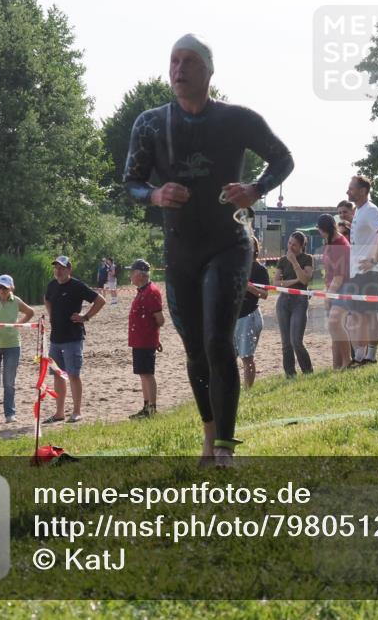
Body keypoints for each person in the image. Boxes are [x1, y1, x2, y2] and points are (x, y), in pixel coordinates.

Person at [124, 33, 294, 466]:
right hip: (181, 252)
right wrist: (155, 195)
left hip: (228, 244)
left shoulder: (237, 120)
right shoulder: (149, 122)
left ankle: (225, 447)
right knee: (194, 350)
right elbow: (131, 181)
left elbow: (283, 158)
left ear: (208, 72)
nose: (178, 70)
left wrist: (255, 189)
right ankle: (208, 436)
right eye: (173, 62)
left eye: (188, 62)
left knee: (218, 342)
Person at [335, 175, 378, 366]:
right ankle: (360, 355)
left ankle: (371, 356)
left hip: (369, 272)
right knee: (359, 315)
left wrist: (374, 259)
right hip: (357, 271)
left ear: (362, 191)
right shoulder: (359, 211)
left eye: (351, 188)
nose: (347, 191)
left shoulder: (370, 210)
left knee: (371, 314)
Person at [44, 256, 106, 423]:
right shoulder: (52, 285)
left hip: (73, 337)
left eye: (62, 268)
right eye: (56, 268)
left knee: (73, 374)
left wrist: (85, 317)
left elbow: (100, 300)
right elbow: (47, 299)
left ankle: (77, 412)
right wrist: (51, 315)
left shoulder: (77, 285)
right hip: (55, 338)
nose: (58, 271)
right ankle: (59, 413)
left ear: (69, 270)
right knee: (58, 375)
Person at [0, 274, 35, 425]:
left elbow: (30, 312)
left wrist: (19, 324)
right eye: (0, 287)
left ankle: (10, 414)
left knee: (9, 382)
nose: (2, 290)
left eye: (5, 288)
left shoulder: (16, 301)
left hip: (12, 345)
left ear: (11, 288)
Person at [127, 259, 165, 419]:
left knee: (147, 374)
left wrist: (152, 337)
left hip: (145, 340)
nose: (130, 275)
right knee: (143, 373)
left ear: (140, 275)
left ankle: (152, 408)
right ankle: (146, 405)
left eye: (132, 272)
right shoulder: (143, 291)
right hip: (140, 340)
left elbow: (160, 319)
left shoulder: (151, 292)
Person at [274, 232, 315, 376]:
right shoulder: (282, 260)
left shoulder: (307, 259)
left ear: (302, 246)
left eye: (294, 245)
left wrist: (294, 262)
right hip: (284, 300)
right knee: (286, 343)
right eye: (289, 243)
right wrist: (293, 281)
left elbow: (304, 280)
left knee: (296, 341)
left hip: (300, 301)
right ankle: (290, 374)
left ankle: (308, 371)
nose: (290, 247)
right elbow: (276, 283)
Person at [317, 214, 351, 369]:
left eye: (321, 231)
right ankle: (337, 366)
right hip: (333, 287)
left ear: (327, 230)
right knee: (334, 330)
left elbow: (339, 276)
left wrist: (328, 297)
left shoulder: (340, 245)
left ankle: (347, 360)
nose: (320, 233)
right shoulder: (330, 243)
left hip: (343, 287)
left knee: (334, 324)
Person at [236, 238, 269, 388]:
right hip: (233, 317)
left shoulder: (260, 269)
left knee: (247, 357)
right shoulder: (236, 267)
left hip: (248, 316)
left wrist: (249, 288)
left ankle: (248, 390)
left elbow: (264, 294)